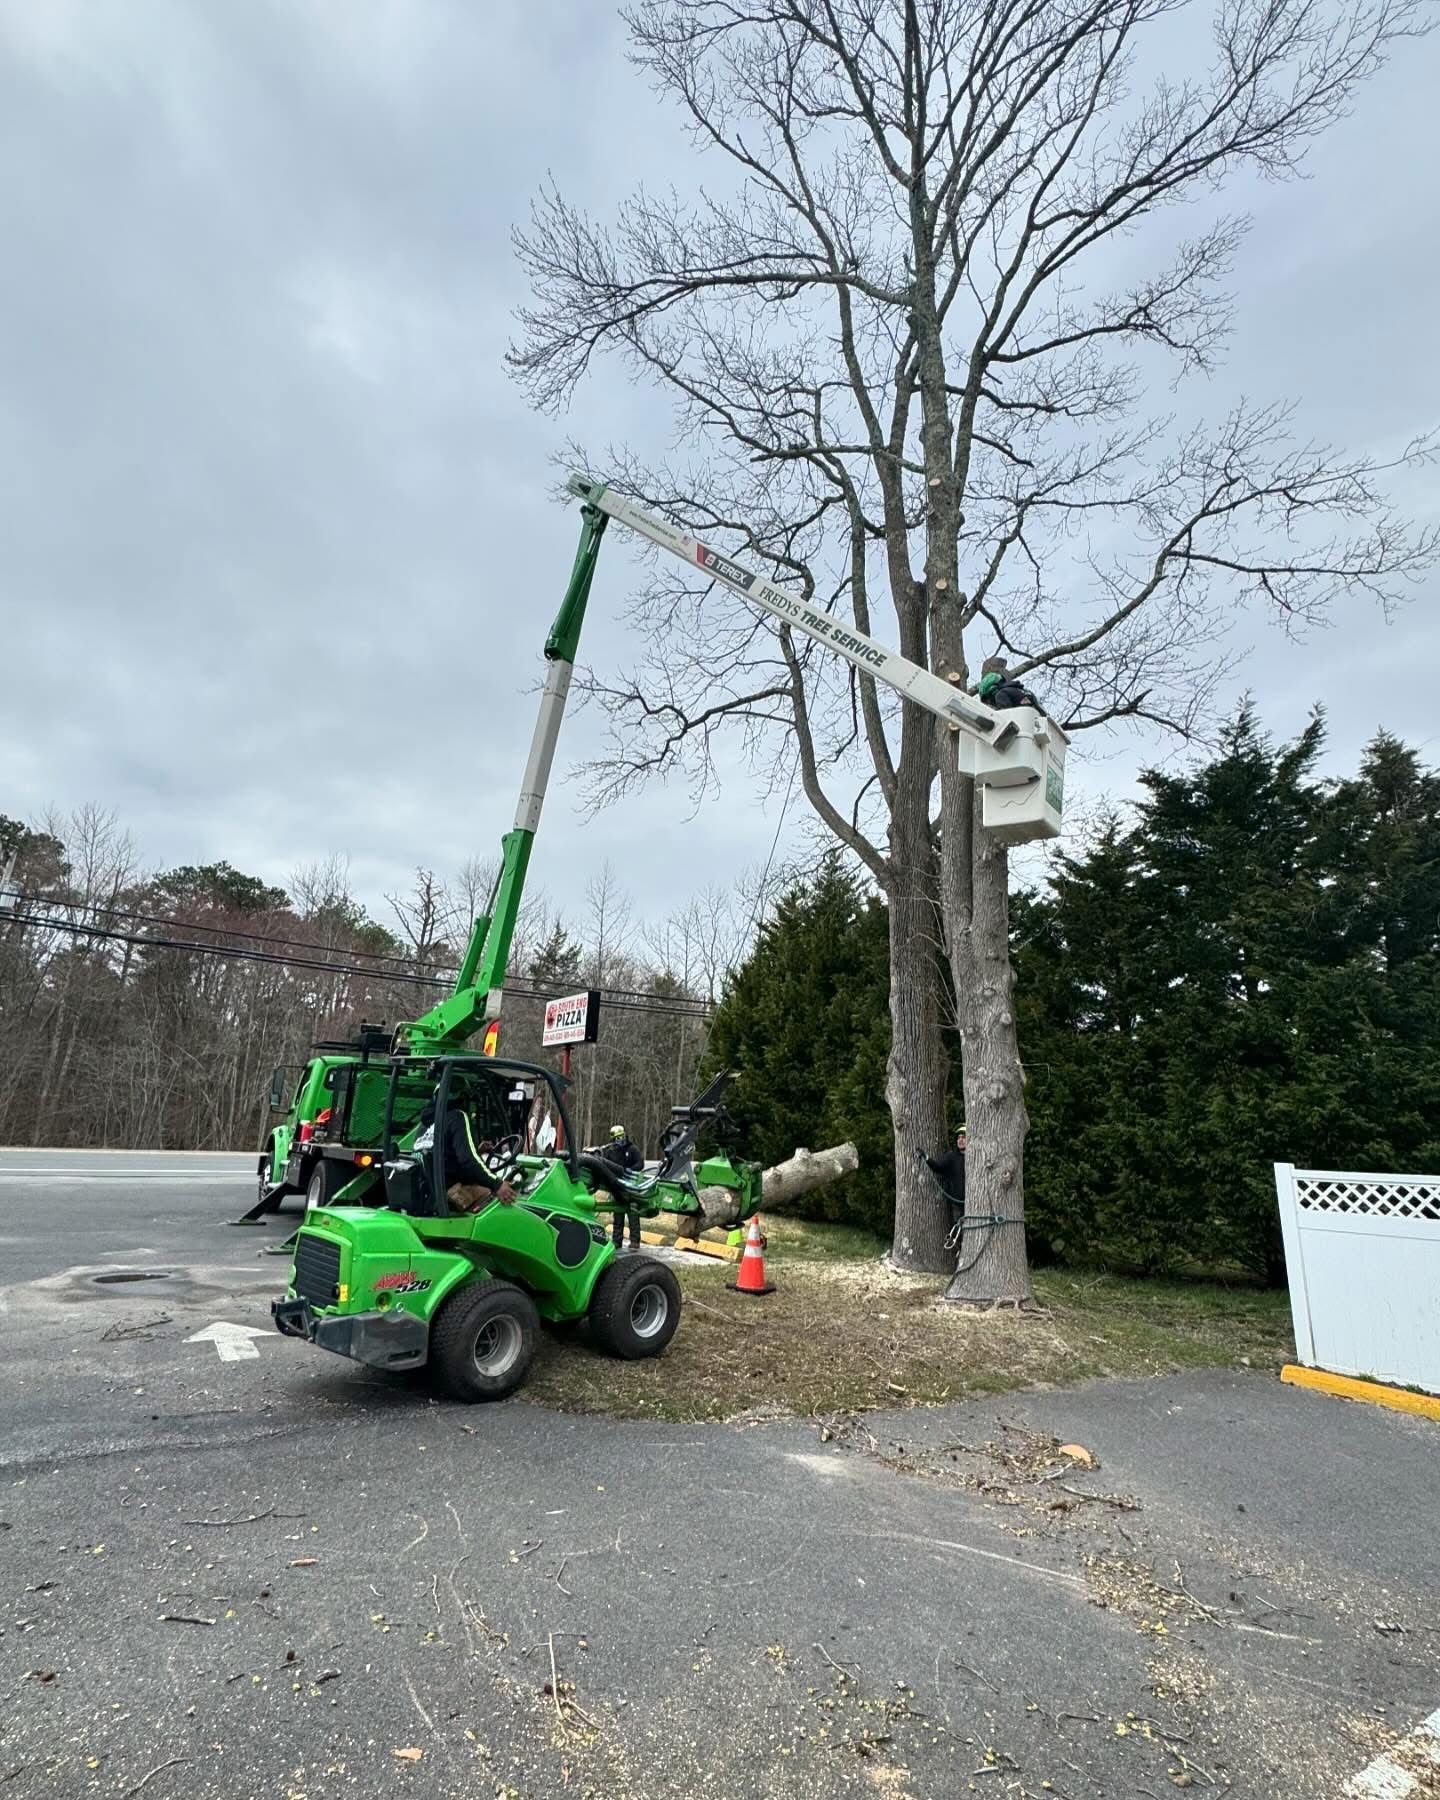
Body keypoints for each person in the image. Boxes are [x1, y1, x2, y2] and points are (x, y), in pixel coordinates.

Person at [420, 1094, 516, 1214]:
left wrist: (476, 1150)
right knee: (499, 1198)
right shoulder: (458, 1116)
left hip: (431, 1192)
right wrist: (497, 1184)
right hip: (452, 1192)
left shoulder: (426, 1124)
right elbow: (468, 1160)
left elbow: (442, 1154)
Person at [599, 1124, 644, 1248]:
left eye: (622, 1136)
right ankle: (617, 1240)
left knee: (633, 1213)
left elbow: (640, 1163)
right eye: (618, 1138)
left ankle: (635, 1241)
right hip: (616, 1186)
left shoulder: (632, 1149)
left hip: (631, 1186)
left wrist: (628, 1170)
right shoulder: (609, 1151)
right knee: (618, 1213)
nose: (621, 1140)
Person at [923, 1124, 967, 1232]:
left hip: (974, 1202)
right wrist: (927, 1158)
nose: (960, 1140)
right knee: (959, 1231)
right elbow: (938, 1167)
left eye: (963, 1137)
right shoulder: (951, 1157)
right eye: (958, 1138)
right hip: (957, 1203)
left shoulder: (976, 1156)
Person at [977, 656, 1042, 712]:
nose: (989, 703)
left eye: (987, 699)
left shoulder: (1001, 695)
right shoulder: (1017, 690)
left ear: (991, 690)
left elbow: (1006, 715)